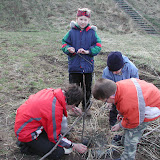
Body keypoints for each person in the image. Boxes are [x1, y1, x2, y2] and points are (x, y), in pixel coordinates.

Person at [92, 78, 160, 160]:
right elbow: (124, 106)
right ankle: (123, 142)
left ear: (111, 97)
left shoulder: (128, 103)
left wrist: (120, 125)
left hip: (151, 109)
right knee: (128, 127)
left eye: (106, 101)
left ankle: (128, 157)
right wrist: (121, 115)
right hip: (142, 103)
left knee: (132, 134)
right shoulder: (118, 87)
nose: (106, 103)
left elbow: (133, 121)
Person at [14, 84, 87, 160]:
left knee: (58, 138)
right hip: (26, 133)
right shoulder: (54, 110)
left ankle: (30, 142)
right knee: (58, 152)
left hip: (24, 124)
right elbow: (55, 138)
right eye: (73, 105)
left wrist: (72, 108)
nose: (71, 108)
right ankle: (26, 146)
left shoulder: (52, 91)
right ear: (69, 102)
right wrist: (74, 145)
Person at [61, 8, 102, 116]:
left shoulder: (92, 33)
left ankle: (86, 108)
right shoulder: (71, 32)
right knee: (74, 88)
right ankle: (73, 108)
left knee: (87, 89)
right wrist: (68, 49)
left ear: (88, 20)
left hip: (87, 67)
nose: (83, 22)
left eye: (85, 19)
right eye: (81, 19)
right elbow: (64, 43)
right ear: (77, 19)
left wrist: (88, 51)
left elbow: (98, 45)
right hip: (74, 67)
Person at [102, 51, 139, 127]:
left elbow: (136, 84)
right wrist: (109, 99)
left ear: (122, 66)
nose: (114, 73)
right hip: (115, 94)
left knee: (128, 110)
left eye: (116, 71)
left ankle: (126, 124)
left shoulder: (132, 68)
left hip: (129, 93)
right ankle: (112, 125)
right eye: (112, 71)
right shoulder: (107, 72)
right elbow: (106, 86)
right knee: (114, 109)